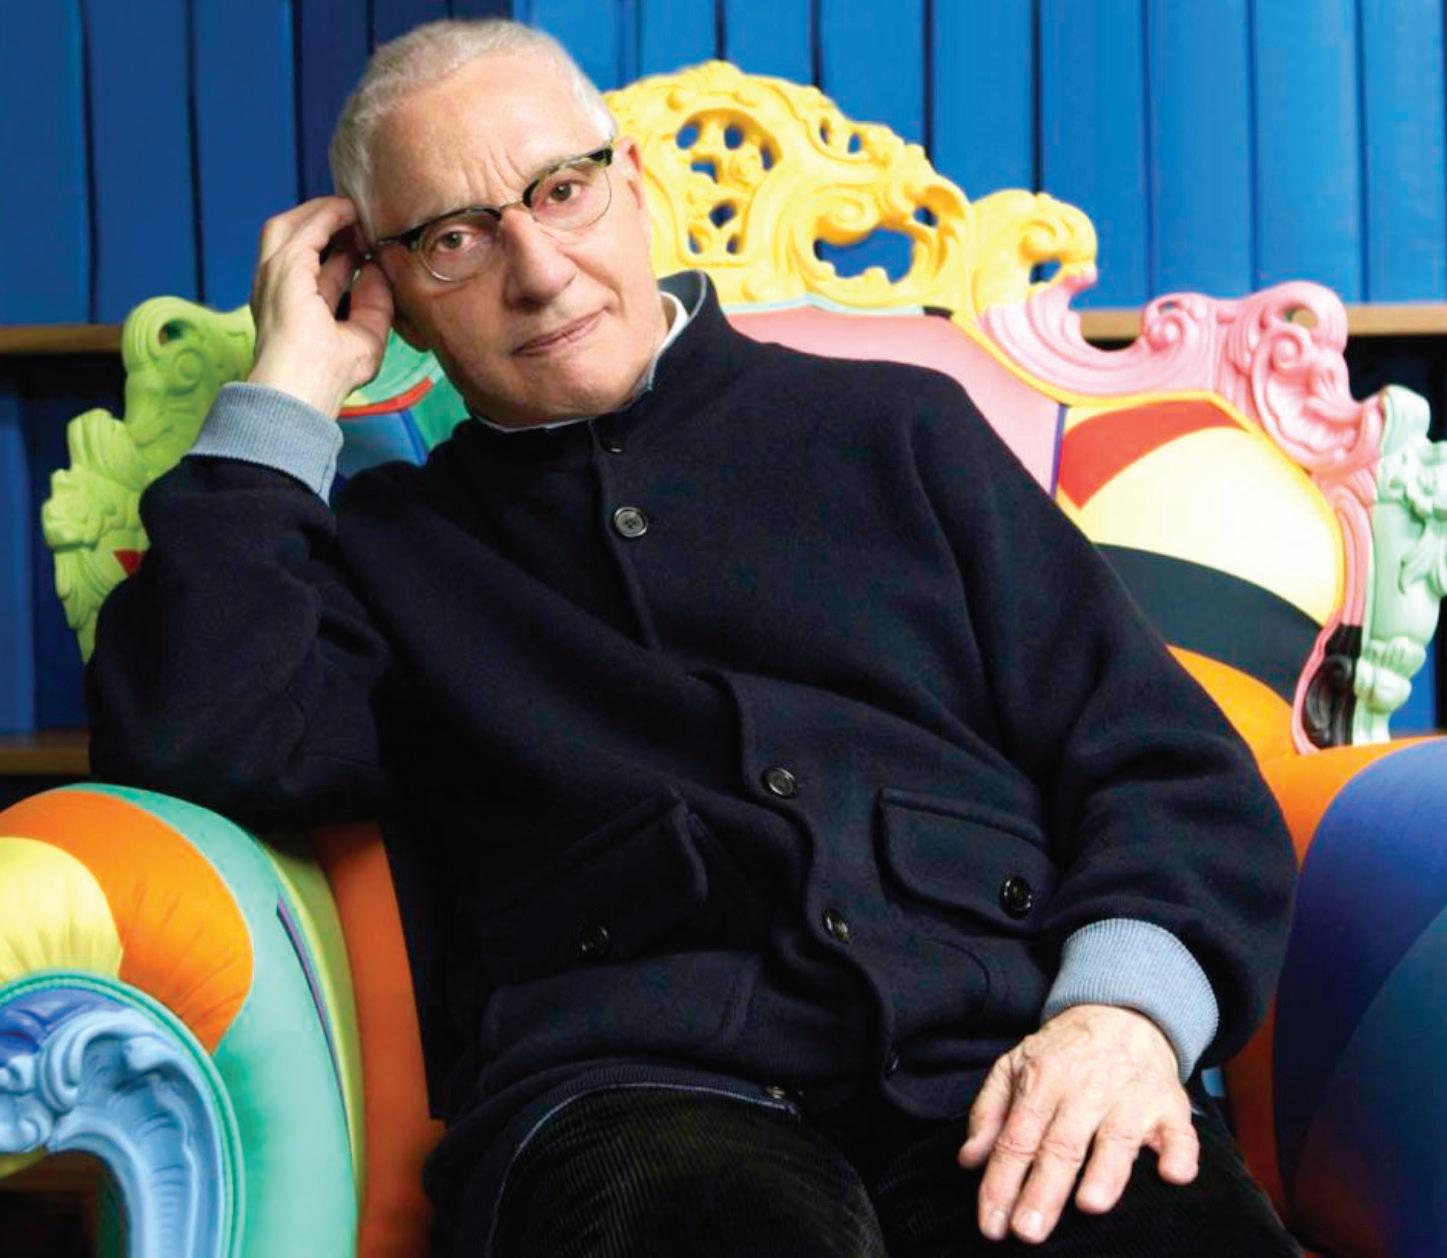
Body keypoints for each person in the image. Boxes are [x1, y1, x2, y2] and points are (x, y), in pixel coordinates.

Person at [86, 18, 1301, 1257]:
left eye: (562, 190)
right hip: (627, 1104)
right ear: (389, 295)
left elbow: (1167, 769)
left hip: (1006, 1058)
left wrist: (1119, 1019)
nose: (539, 271)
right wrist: (286, 390)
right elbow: (200, 735)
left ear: (634, 183)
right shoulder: (392, 546)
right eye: (455, 238)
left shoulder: (902, 430)